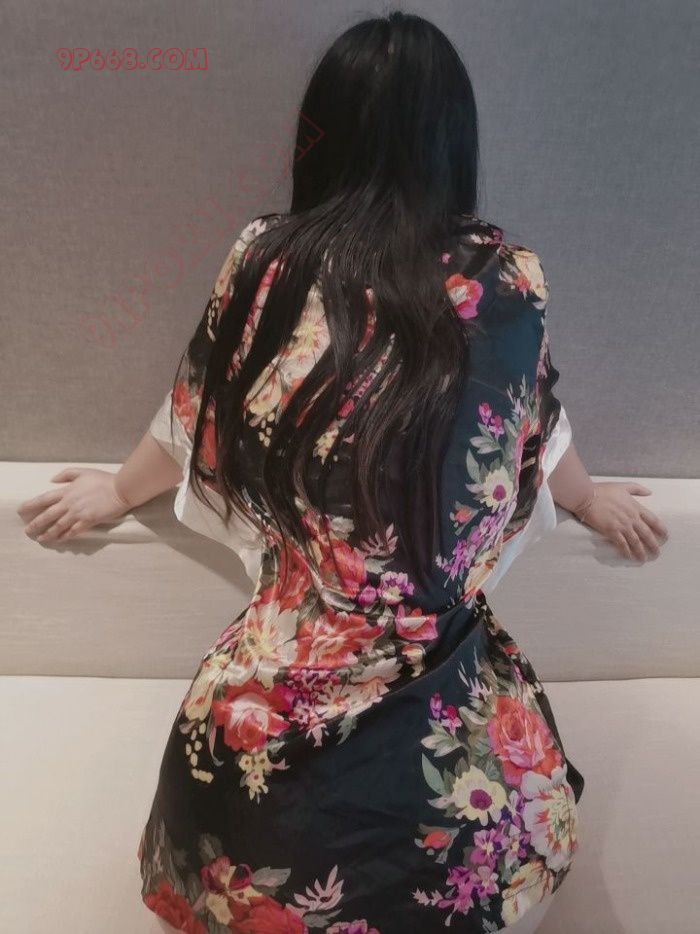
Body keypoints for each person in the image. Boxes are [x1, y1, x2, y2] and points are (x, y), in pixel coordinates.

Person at [17, 11, 669, 933]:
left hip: (271, 729)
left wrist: (120, 491)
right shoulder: (508, 280)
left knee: (232, 822)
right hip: (457, 755)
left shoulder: (264, 261)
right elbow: (530, 419)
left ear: (319, 134)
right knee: (499, 809)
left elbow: (201, 406)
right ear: (453, 140)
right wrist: (588, 497)